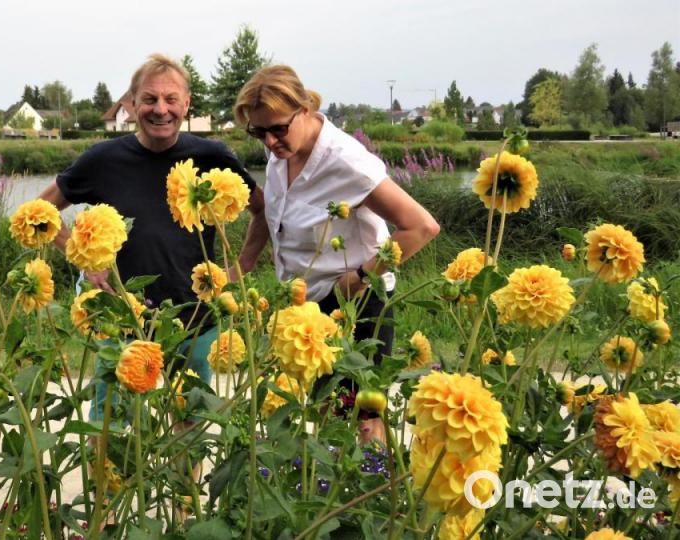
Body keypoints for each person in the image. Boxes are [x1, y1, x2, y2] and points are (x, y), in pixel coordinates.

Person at [38, 53, 264, 422]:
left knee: (189, 426)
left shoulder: (212, 156)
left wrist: (239, 269)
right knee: (111, 426)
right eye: (150, 99)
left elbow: (262, 210)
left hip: (195, 319)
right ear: (130, 104)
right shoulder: (102, 159)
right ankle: (109, 481)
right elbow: (42, 212)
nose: (161, 109)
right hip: (120, 318)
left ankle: (184, 484)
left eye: (171, 99)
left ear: (187, 104)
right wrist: (84, 260)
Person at [232, 65, 440, 443]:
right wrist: (241, 266)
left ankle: (374, 493)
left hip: (357, 307)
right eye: (259, 132)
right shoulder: (280, 155)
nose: (270, 141)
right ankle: (336, 496)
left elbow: (421, 227)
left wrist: (361, 275)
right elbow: (267, 215)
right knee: (327, 416)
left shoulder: (346, 161)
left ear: (305, 109)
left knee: (363, 421)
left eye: (278, 128)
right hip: (306, 311)